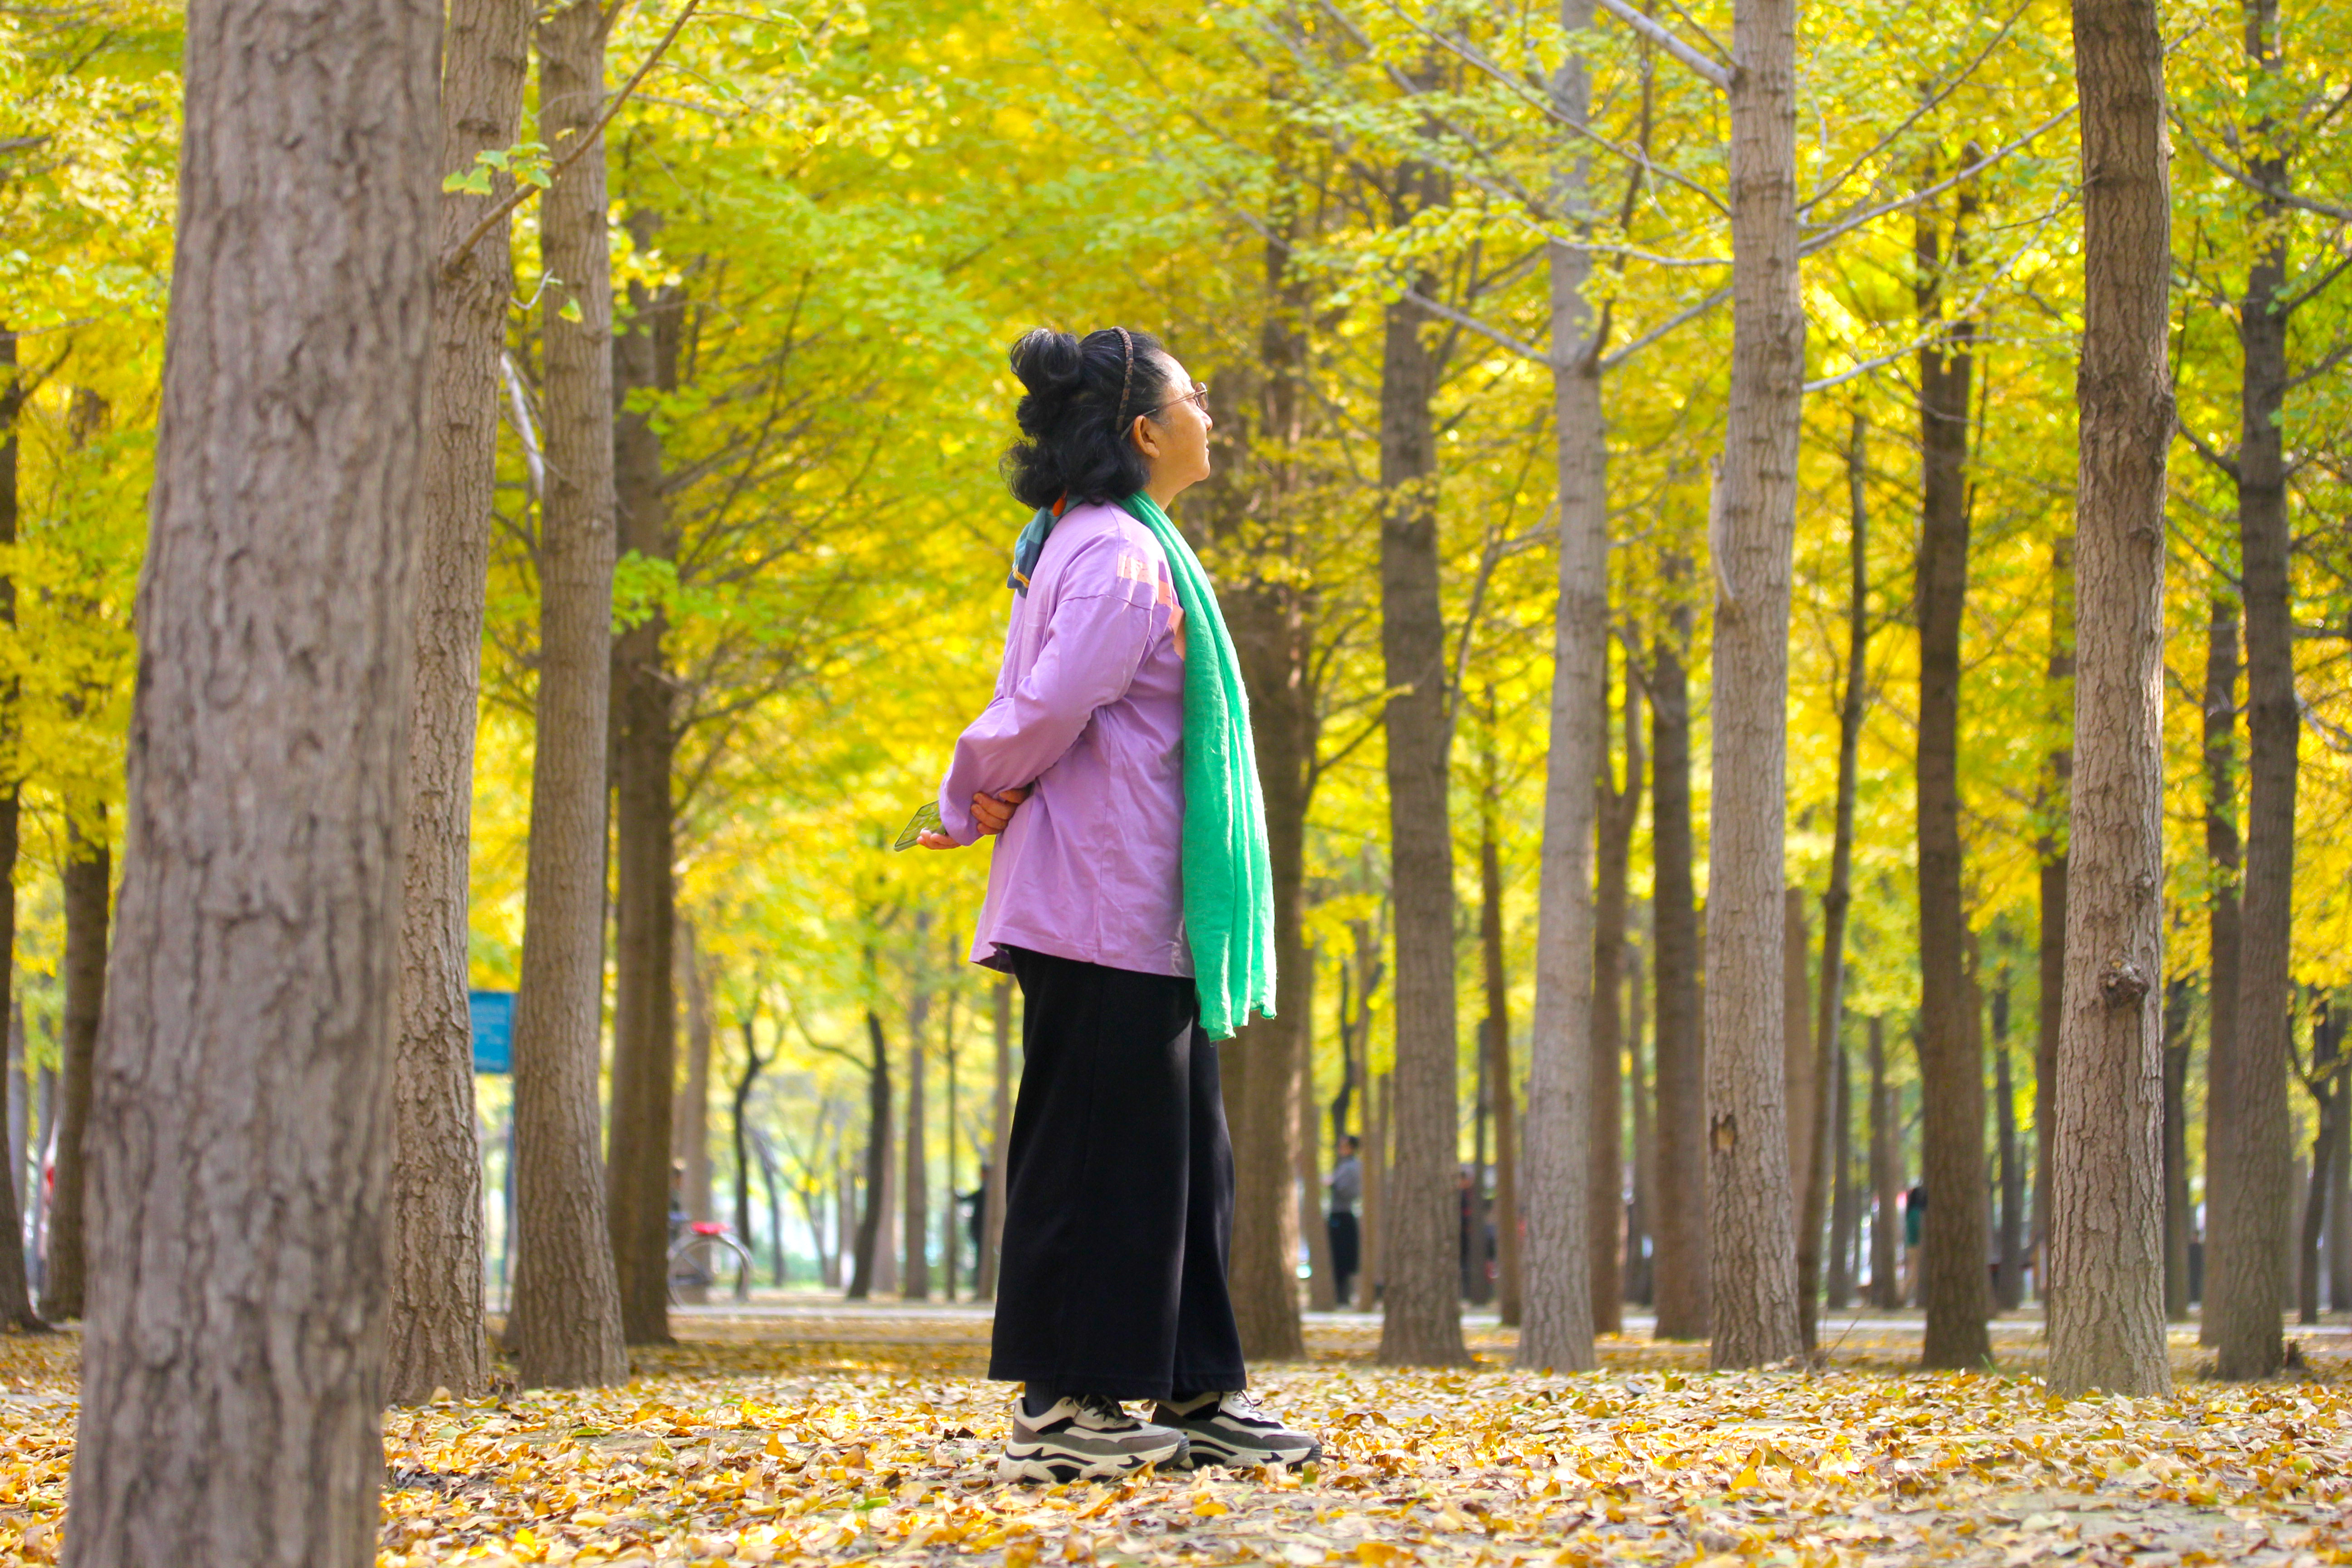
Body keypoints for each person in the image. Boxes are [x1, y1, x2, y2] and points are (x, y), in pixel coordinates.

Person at [919, 326, 1319, 1484]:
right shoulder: (1115, 555)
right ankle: (1063, 1404)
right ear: (1145, 433)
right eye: (1194, 398)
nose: (1211, 412)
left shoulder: (1129, 545)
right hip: (1095, 902)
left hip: (1146, 905)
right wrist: (963, 788)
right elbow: (1044, 708)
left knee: (1184, 1159)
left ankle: (1197, 1388)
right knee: (1094, 1156)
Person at [1326, 1135, 1362, 1308]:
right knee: (1337, 1259)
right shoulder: (1343, 1166)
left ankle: (1343, 1297)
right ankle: (1340, 1296)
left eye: (1345, 1146)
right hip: (1338, 1214)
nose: (1341, 1148)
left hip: (1343, 1215)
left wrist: (1333, 1185)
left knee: (1343, 1258)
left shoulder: (1353, 1167)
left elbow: (1349, 1192)